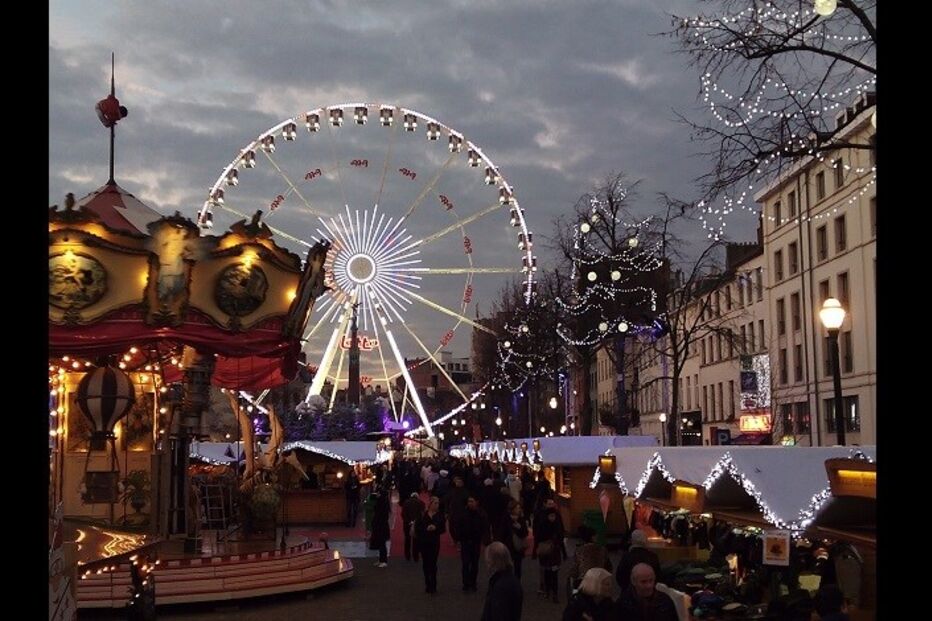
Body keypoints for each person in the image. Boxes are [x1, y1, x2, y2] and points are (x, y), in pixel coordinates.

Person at [480, 541, 523, 621]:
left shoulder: (500, 587)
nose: (487, 565)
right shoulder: (512, 580)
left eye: (488, 562)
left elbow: (498, 615)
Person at [568, 525, 612, 596]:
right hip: (599, 579)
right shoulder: (602, 550)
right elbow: (609, 567)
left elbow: (576, 568)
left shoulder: (579, 550)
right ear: (592, 537)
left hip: (584, 580)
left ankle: (574, 597)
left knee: (575, 587)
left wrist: (571, 574)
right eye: (596, 535)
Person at [457, 495, 488, 591]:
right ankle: (466, 583)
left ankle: (473, 582)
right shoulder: (463, 513)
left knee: (474, 563)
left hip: (475, 541)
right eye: (469, 501)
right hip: (465, 541)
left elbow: (484, 526)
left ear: (476, 502)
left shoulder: (481, 513)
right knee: (465, 563)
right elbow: (459, 526)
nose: (470, 503)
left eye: (472, 501)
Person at [535, 506, 566, 603]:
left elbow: (561, 540)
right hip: (546, 553)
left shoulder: (557, 526)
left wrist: (564, 552)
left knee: (554, 574)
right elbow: (538, 539)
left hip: (554, 553)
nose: (553, 518)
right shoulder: (543, 526)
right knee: (548, 573)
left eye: (554, 516)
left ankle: (554, 593)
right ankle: (548, 590)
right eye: (551, 516)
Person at [416, 496, 446, 594]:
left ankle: (433, 584)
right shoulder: (422, 515)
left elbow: (443, 529)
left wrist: (435, 528)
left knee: (433, 563)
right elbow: (418, 528)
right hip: (424, 541)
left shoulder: (440, 515)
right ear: (430, 504)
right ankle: (427, 583)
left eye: (438, 503)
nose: (437, 505)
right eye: (435, 503)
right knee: (425, 563)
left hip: (434, 542)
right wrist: (425, 529)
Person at [497, 499, 529, 579]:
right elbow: (502, 533)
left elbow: (525, 533)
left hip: (518, 546)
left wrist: (520, 528)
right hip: (508, 545)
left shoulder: (521, 519)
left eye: (519, 508)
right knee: (508, 566)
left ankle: (517, 583)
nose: (519, 509)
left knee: (518, 567)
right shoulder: (506, 518)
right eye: (517, 508)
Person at [368, 486, 391, 568]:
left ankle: (384, 560)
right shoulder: (382, 501)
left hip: (381, 526)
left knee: (382, 543)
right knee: (380, 543)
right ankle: (381, 560)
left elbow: (380, 515)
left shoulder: (382, 503)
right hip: (380, 526)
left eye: (378, 493)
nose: (377, 494)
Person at [402, 492, 425, 562]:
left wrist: (409, 521)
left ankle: (407, 555)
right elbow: (422, 514)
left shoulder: (406, 502)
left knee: (407, 539)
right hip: (417, 524)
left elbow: (403, 514)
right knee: (416, 540)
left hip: (407, 524)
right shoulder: (421, 503)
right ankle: (416, 556)